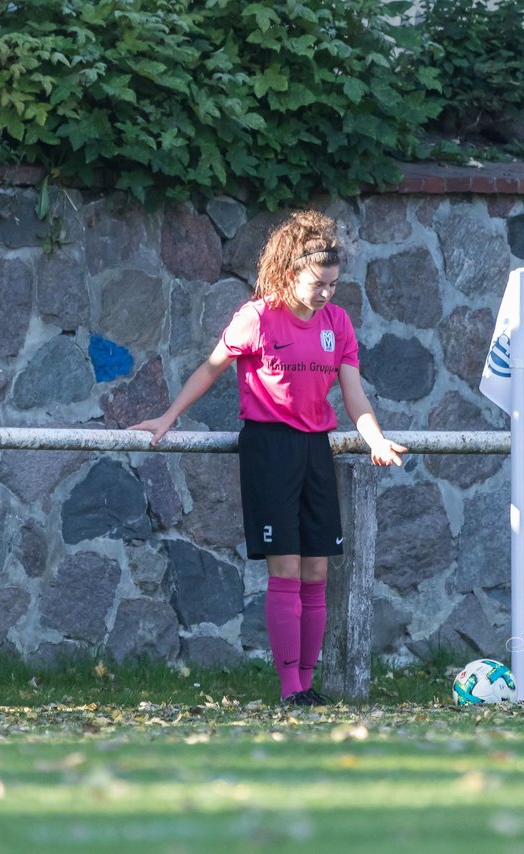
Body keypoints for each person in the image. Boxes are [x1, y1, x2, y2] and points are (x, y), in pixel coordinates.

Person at [130, 210, 406, 706]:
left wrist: (376, 441)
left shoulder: (337, 324)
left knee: (318, 572)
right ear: (288, 273)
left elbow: (354, 397)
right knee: (286, 570)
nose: (326, 294)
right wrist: (168, 416)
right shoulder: (256, 317)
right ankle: (289, 690)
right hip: (270, 448)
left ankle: (308, 683)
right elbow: (210, 369)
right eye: (318, 284)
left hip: (315, 450)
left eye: (334, 285)